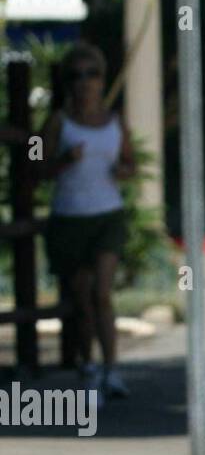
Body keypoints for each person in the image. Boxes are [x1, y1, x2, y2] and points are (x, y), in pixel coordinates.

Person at [38, 43, 136, 401]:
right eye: (76, 76)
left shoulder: (115, 121)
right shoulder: (57, 122)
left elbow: (131, 163)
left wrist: (122, 170)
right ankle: (89, 365)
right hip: (70, 216)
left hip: (106, 215)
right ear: (68, 83)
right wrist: (64, 160)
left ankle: (113, 369)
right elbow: (38, 165)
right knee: (80, 296)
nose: (84, 83)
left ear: (101, 79)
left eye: (91, 74)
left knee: (103, 292)